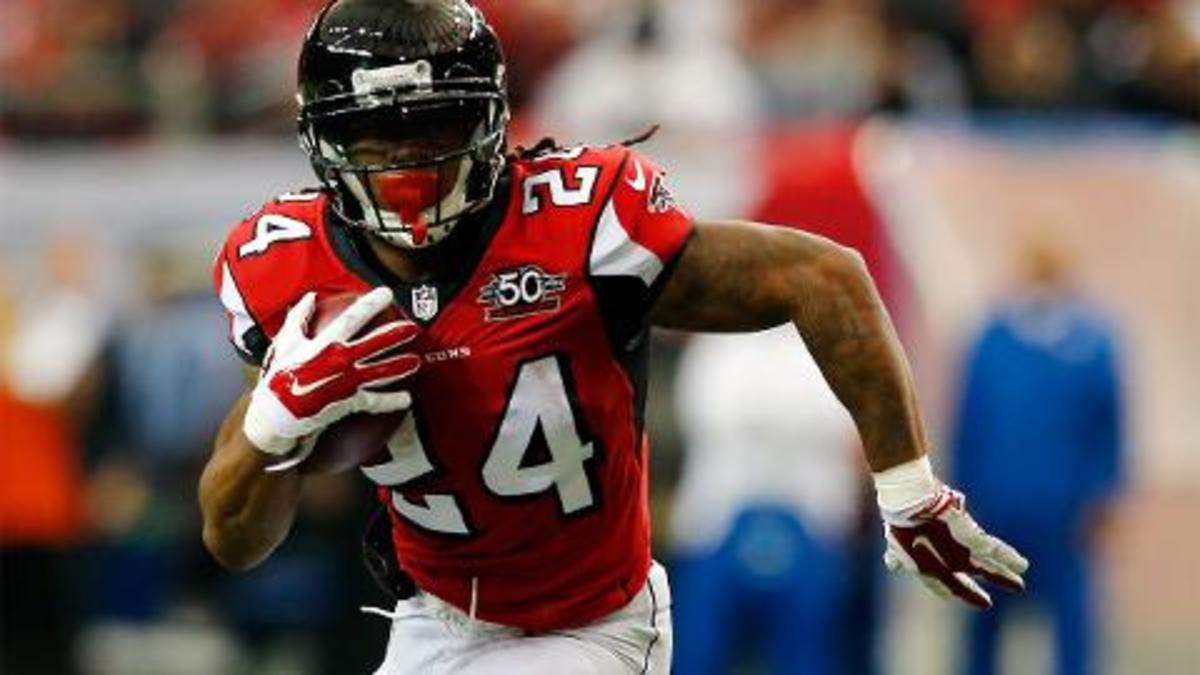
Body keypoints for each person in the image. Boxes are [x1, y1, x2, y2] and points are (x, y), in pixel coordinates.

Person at [199, 1, 1029, 673]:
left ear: (488, 122)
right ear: (325, 141)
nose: (406, 165)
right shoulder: (286, 270)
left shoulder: (580, 224)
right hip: (433, 620)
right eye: (376, 137)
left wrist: (908, 488)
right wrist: (274, 421)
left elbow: (825, 277)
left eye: (435, 128)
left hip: (592, 624)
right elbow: (234, 539)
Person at [953, 239, 1125, 675]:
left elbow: (1108, 428)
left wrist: (1103, 496)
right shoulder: (993, 340)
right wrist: (960, 499)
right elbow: (969, 423)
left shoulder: (1093, 345)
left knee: (1073, 630)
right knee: (982, 625)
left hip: (1065, 514)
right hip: (998, 508)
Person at [669, 329, 861, 675]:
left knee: (808, 653)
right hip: (716, 522)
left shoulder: (836, 343)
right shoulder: (717, 343)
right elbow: (707, 416)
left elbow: (850, 432)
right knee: (699, 648)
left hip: (814, 522)